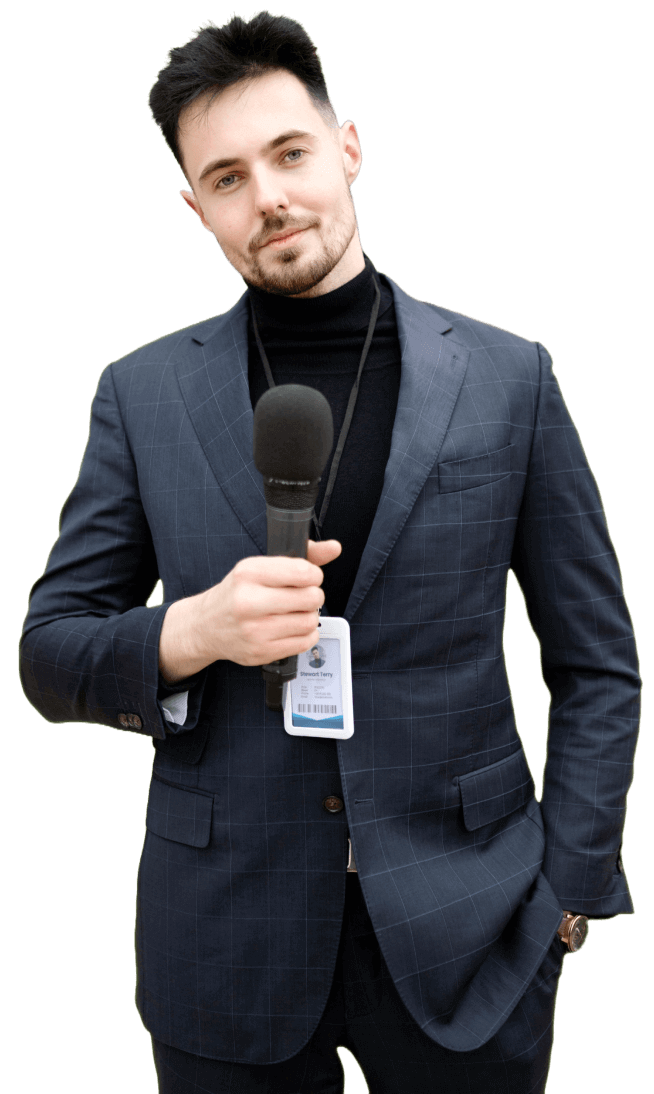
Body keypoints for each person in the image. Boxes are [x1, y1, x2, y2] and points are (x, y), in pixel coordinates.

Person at [19, 11, 639, 1094]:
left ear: (347, 149)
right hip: (224, 937)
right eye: (227, 177)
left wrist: (568, 892)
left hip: (477, 927)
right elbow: (49, 652)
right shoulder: (140, 392)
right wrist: (193, 629)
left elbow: (597, 662)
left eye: (290, 153)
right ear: (195, 207)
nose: (268, 197)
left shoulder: (510, 376)